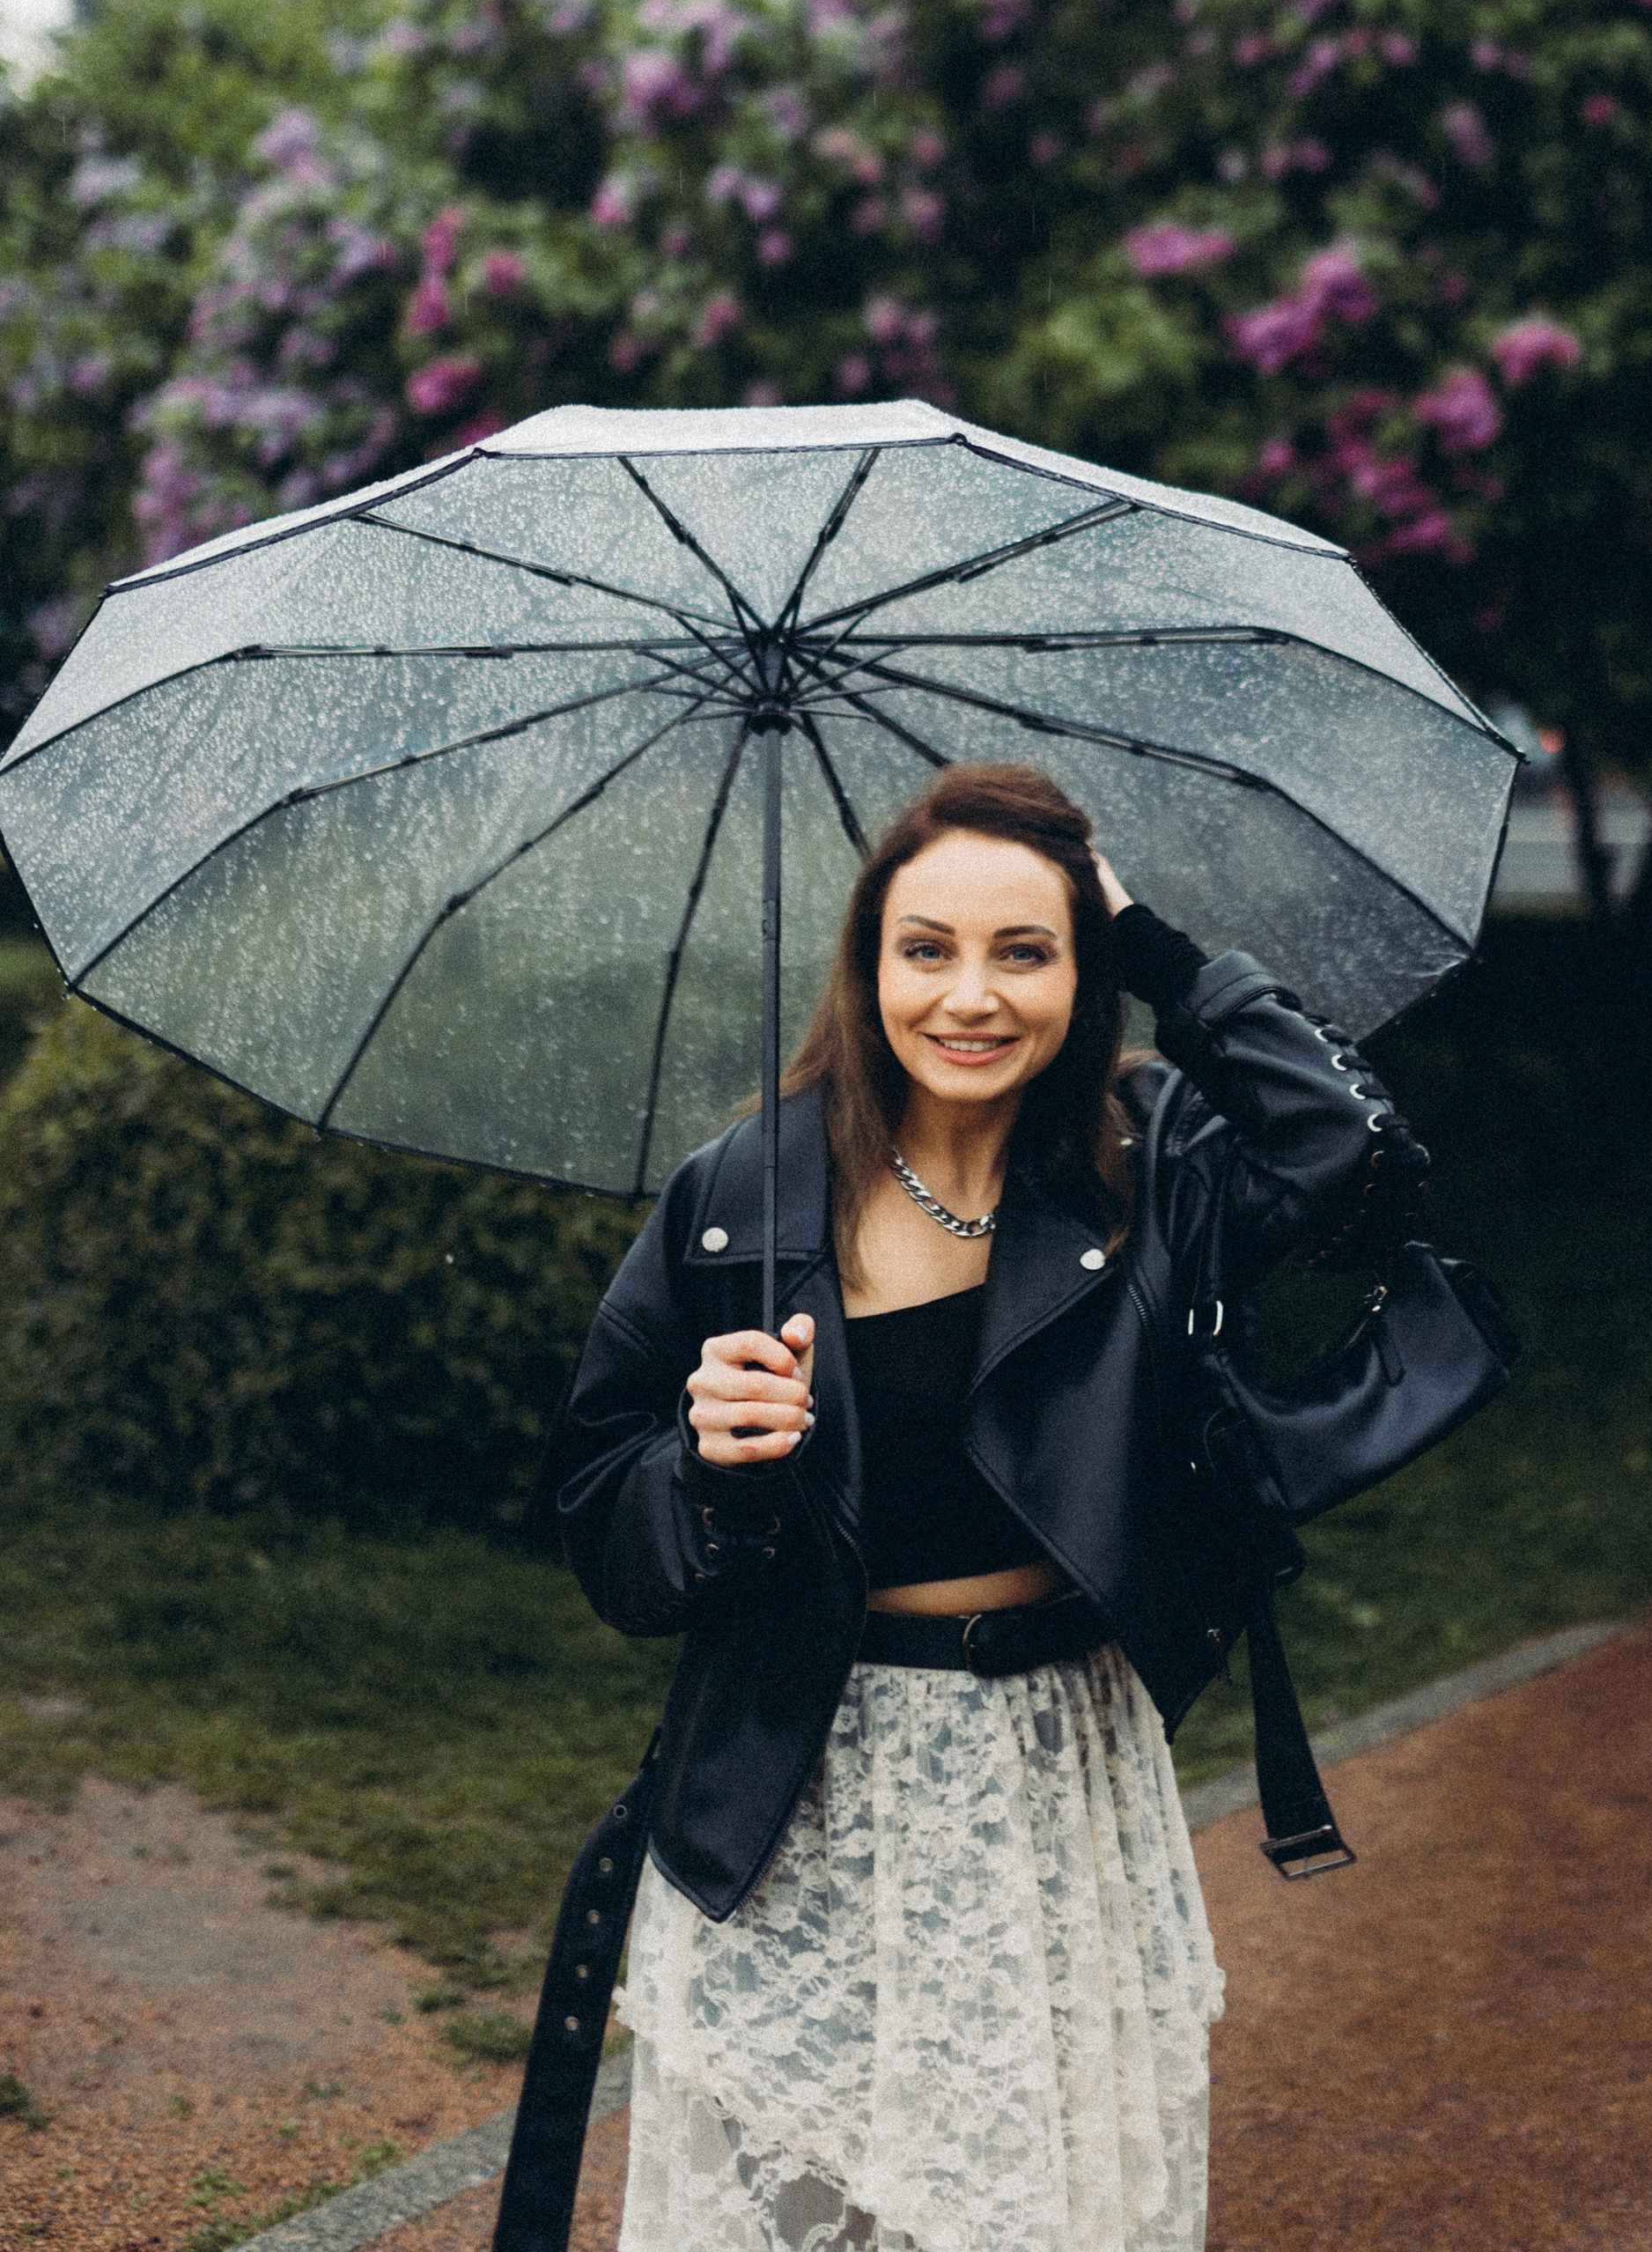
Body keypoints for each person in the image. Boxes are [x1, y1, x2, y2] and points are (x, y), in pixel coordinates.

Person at [547, 759, 1424, 2252]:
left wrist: (1161, 951)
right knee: (801, 2212)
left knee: (1034, 2209)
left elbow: (1357, 1161)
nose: (971, 995)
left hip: (1049, 1764)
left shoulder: (1154, 1165)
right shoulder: (739, 1196)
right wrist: (706, 1471)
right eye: (927, 948)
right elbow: (596, 1514)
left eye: (1027, 950)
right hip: (797, 1781)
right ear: (869, 962)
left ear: (1086, 974)